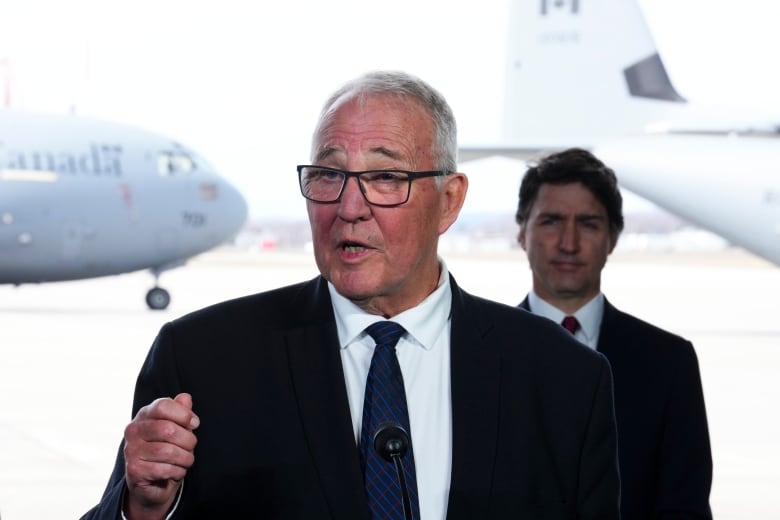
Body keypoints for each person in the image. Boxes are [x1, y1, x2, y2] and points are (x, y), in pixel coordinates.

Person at [82, 72, 620, 520]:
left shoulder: (565, 378)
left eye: (385, 177)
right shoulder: (203, 360)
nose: (350, 207)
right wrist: (144, 508)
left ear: (449, 201)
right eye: (328, 175)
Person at [515, 148, 713, 519]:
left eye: (588, 223)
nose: (569, 243)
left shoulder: (668, 364)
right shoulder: (474, 353)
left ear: (613, 238)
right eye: (551, 221)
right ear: (522, 232)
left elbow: (685, 508)